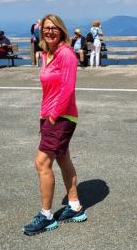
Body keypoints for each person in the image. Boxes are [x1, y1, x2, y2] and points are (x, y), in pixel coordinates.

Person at [23, 14, 86, 236]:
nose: (50, 31)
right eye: (46, 28)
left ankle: (47, 216)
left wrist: (53, 116)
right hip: (49, 115)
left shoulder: (66, 54)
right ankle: (75, 206)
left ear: (62, 31)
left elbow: (68, 89)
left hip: (61, 117)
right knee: (63, 158)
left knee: (41, 163)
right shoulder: (46, 54)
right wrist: (45, 115)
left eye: (54, 28)